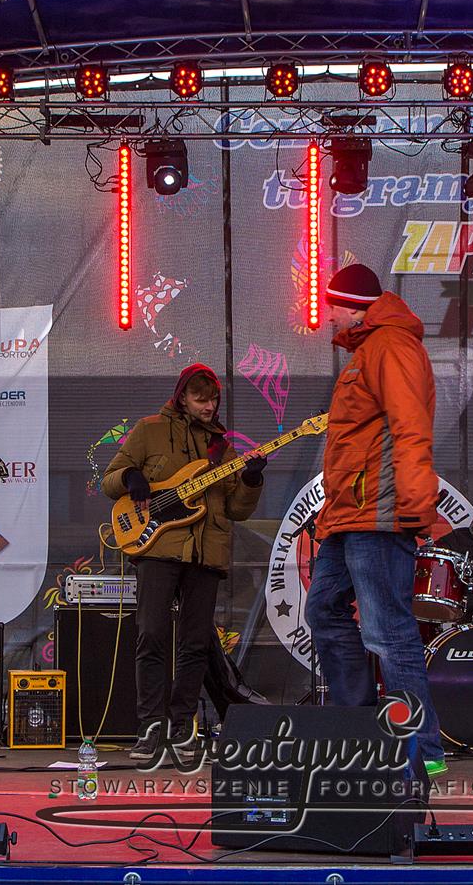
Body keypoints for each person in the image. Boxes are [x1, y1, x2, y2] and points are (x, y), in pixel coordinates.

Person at [305, 264, 448, 778]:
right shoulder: (368, 350)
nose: (328, 316)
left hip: (380, 514)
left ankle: (423, 753)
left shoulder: (391, 345)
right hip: (349, 516)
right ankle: (361, 732)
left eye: (333, 306)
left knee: (389, 634)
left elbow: (411, 428)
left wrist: (414, 504)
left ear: (353, 305)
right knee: (323, 610)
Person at [102, 364, 265, 762]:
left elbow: (237, 511)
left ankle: (181, 729)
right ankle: (150, 729)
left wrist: (251, 481)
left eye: (214, 400)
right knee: (151, 636)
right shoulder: (150, 430)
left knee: (194, 645)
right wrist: (131, 477)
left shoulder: (221, 449)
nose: (208, 407)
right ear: (182, 398)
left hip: (206, 553)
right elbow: (110, 479)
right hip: (157, 548)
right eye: (200, 399)